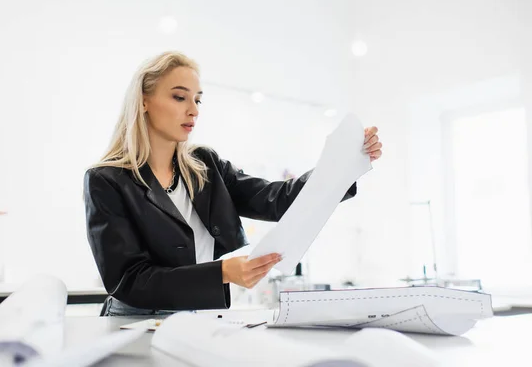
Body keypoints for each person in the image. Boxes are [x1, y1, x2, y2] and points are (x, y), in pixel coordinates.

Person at [83, 51, 383, 316]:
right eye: (179, 97)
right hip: (134, 324)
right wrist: (223, 272)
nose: (194, 109)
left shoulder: (205, 165)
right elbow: (129, 280)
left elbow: (275, 198)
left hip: (197, 319)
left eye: (197, 99)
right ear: (144, 102)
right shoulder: (106, 180)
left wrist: (343, 166)